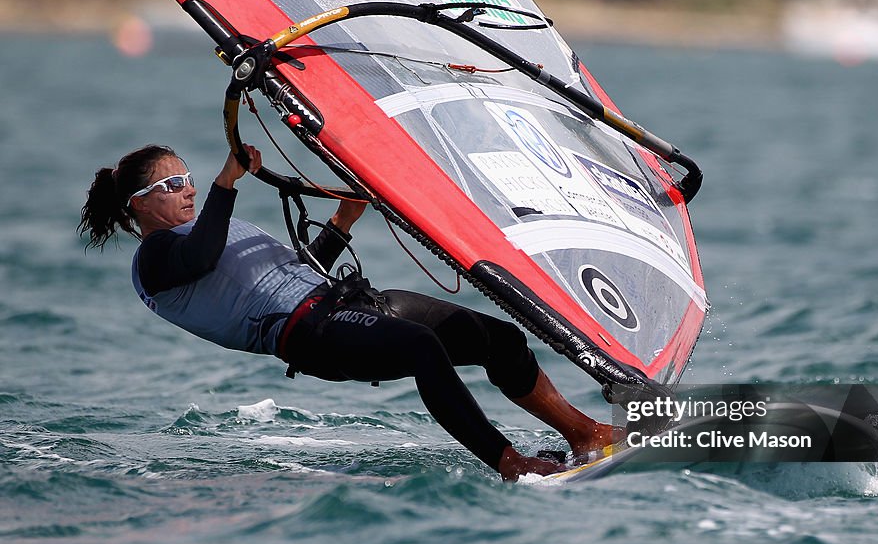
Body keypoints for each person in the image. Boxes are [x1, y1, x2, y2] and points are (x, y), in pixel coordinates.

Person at [79, 143, 623, 481]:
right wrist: (226, 184)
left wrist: (342, 221)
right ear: (139, 204)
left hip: (346, 303)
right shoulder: (153, 258)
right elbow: (202, 258)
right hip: (308, 334)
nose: (188, 190)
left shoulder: (202, 229)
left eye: (189, 179)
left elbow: (297, 271)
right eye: (171, 185)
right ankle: (508, 462)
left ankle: (584, 433)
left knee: (496, 338)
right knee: (420, 348)